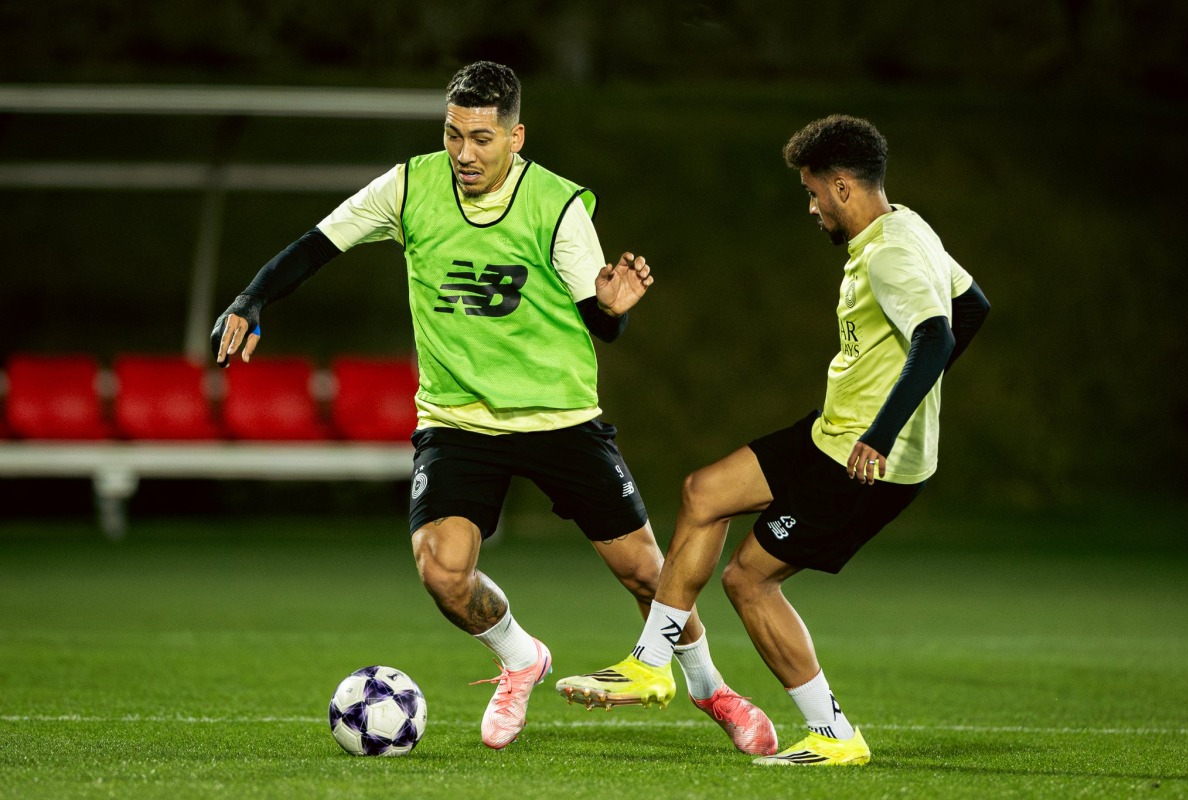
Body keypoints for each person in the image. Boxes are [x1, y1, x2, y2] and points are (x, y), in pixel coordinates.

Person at [210, 61, 776, 754]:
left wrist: (614, 310)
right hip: (457, 420)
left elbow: (599, 317)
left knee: (646, 574)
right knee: (441, 570)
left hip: (559, 417)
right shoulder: (411, 184)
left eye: (482, 138)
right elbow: (319, 242)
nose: (465, 154)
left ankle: (710, 687)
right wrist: (252, 297)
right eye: (453, 135)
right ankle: (519, 657)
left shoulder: (557, 204)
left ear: (516, 136)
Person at [556, 114, 991, 766]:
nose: (812, 207)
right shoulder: (907, 224)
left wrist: (881, 430)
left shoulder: (894, 252)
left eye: (814, 193)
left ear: (843, 187)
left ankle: (836, 736)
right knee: (704, 492)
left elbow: (937, 336)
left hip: (863, 460)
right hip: (832, 434)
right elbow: (974, 305)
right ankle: (651, 666)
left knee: (749, 582)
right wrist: (891, 396)